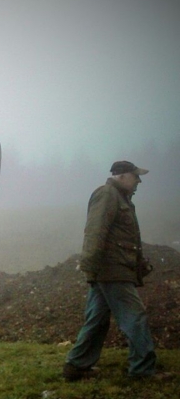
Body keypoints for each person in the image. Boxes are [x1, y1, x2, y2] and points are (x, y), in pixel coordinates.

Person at [63, 160, 169, 381]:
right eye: (135, 176)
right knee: (135, 317)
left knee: (97, 319)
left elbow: (122, 237)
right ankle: (142, 370)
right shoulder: (107, 195)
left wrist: (138, 263)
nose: (139, 180)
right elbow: (95, 231)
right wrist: (89, 267)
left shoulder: (121, 198)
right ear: (122, 176)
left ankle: (76, 366)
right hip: (112, 271)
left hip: (110, 269)